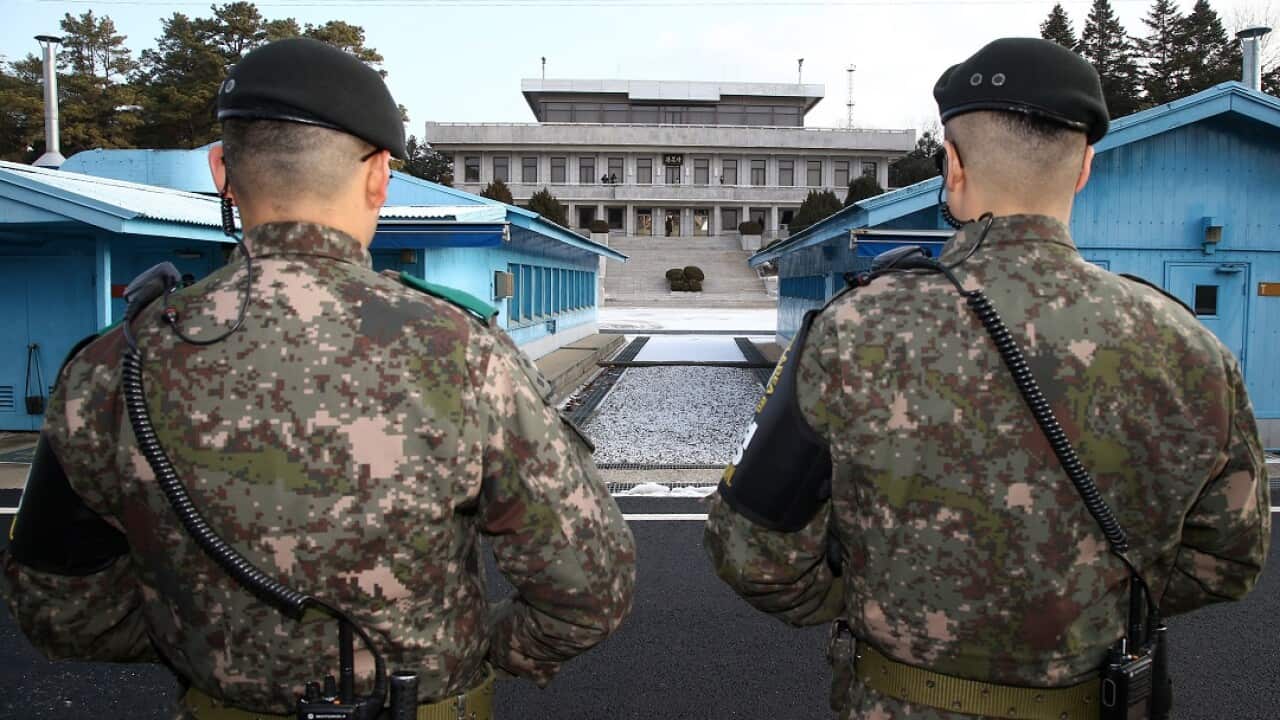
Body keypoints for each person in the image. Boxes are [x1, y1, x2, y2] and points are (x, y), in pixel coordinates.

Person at [2, 38, 635, 720]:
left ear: (222, 171)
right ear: (379, 176)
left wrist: (200, 643)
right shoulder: (462, 354)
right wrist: (477, 652)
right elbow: (589, 589)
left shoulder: (111, 368)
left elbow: (60, 611)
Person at [705, 37, 1269, 719]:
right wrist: (1085, 601)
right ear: (1086, 167)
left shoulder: (853, 332)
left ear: (952, 165)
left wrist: (871, 601)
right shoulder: (1188, 347)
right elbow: (1227, 559)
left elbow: (752, 552)